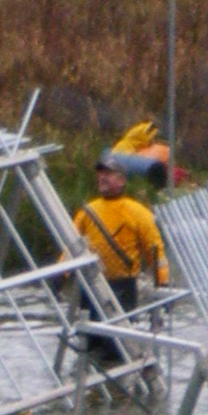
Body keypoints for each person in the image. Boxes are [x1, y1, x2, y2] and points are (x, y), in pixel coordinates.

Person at [73, 126, 171, 373]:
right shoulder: (87, 211)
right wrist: (59, 276)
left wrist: (162, 287)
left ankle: (116, 394)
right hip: (91, 286)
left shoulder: (138, 212)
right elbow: (71, 245)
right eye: (100, 173)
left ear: (122, 179)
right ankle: (91, 397)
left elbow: (156, 253)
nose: (103, 178)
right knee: (87, 347)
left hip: (122, 287)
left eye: (109, 174)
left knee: (115, 350)